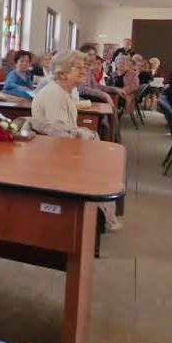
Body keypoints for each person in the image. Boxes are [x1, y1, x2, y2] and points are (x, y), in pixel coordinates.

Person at [30, 50, 122, 231]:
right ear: (62, 72)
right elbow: (61, 138)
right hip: (53, 158)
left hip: (61, 151)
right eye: (77, 67)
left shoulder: (63, 92)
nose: (84, 71)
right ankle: (93, 218)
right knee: (103, 165)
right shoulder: (54, 94)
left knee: (109, 160)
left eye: (84, 67)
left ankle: (100, 216)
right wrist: (87, 139)